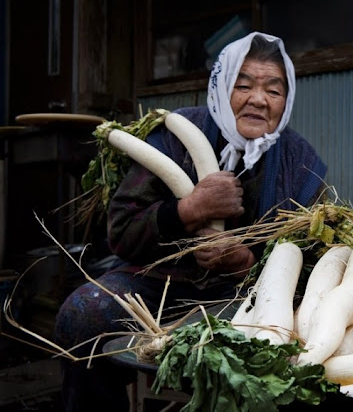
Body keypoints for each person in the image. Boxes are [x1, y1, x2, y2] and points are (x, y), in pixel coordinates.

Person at [53, 32, 327, 411]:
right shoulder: (175, 135)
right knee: (82, 314)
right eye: (242, 85)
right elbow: (120, 232)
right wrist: (189, 210)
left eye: (274, 91)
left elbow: (313, 259)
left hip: (245, 297)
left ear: (288, 99)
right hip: (155, 284)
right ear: (221, 85)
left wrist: (247, 260)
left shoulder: (301, 164)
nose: (258, 100)